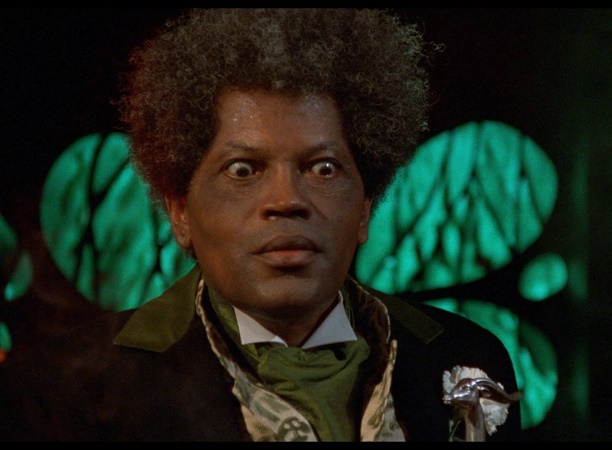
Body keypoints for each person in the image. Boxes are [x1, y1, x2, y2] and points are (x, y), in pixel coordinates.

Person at [0, 8, 521, 441]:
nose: (287, 200)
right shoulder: (59, 393)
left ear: (365, 207)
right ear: (180, 212)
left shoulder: (466, 358)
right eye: (243, 170)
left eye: (323, 168)